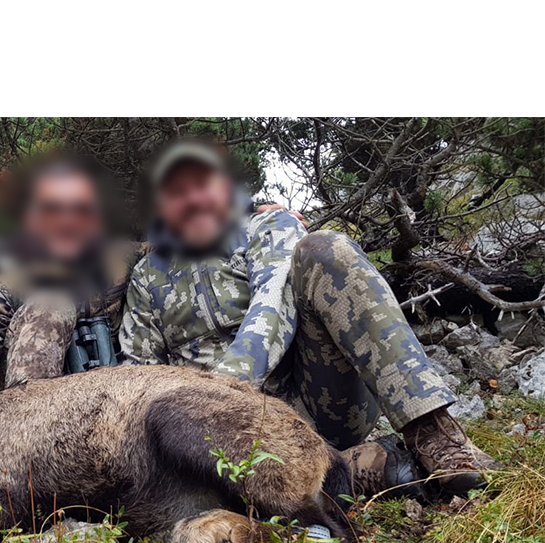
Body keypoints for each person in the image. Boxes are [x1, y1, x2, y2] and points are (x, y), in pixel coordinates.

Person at [119, 139, 496, 496]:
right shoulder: (146, 277)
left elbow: (271, 308)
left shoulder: (266, 228)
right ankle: (350, 470)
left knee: (325, 247)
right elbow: (141, 372)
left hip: (313, 403)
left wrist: (220, 396)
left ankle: (435, 434)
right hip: (215, 441)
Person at [0, 154, 143, 393]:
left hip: (119, 400)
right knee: (50, 306)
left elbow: (184, 253)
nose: (67, 220)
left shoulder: (125, 258)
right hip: (29, 409)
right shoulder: (7, 288)